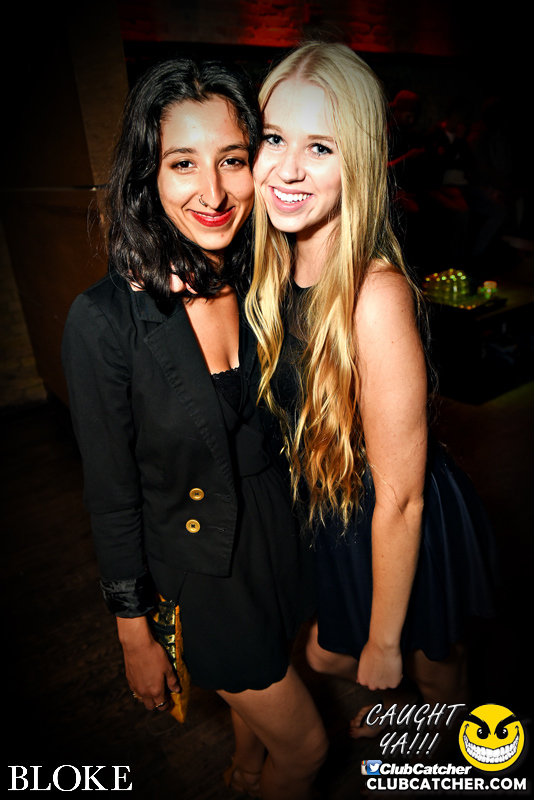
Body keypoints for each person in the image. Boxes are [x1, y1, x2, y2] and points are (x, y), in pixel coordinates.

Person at [62, 56, 327, 799]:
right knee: (307, 749)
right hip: (202, 569)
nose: (212, 193)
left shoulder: (265, 278)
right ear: (147, 174)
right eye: (183, 163)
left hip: (278, 532)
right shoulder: (105, 321)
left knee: (265, 692)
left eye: (232, 160)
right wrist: (133, 631)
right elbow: (111, 495)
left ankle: (245, 770)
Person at [247, 42, 498, 739]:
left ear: (357, 161)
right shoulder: (271, 266)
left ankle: (453, 755)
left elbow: (404, 497)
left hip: (396, 511)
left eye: (320, 147)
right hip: (335, 509)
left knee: (432, 665)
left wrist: (383, 642)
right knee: (325, 653)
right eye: (274, 138)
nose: (288, 169)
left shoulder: (373, 294)